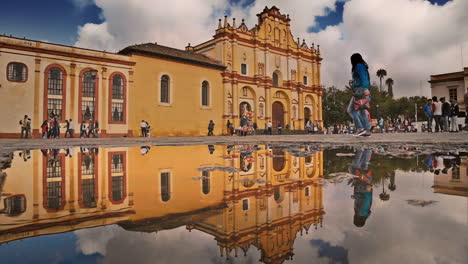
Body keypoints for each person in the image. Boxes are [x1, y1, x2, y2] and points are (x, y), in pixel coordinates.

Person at [347, 53, 371, 137]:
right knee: (362, 110)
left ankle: (360, 128)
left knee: (351, 110)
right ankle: (366, 131)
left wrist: (365, 88)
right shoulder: (362, 66)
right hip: (361, 89)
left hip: (360, 90)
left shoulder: (359, 66)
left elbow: (364, 77)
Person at [349, 149, 373, 227]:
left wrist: (355, 196)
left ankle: (367, 149)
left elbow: (362, 200)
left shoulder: (362, 213)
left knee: (364, 165)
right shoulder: (362, 213)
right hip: (363, 186)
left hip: (363, 185)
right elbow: (366, 200)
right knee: (354, 167)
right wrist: (368, 191)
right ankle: (361, 148)